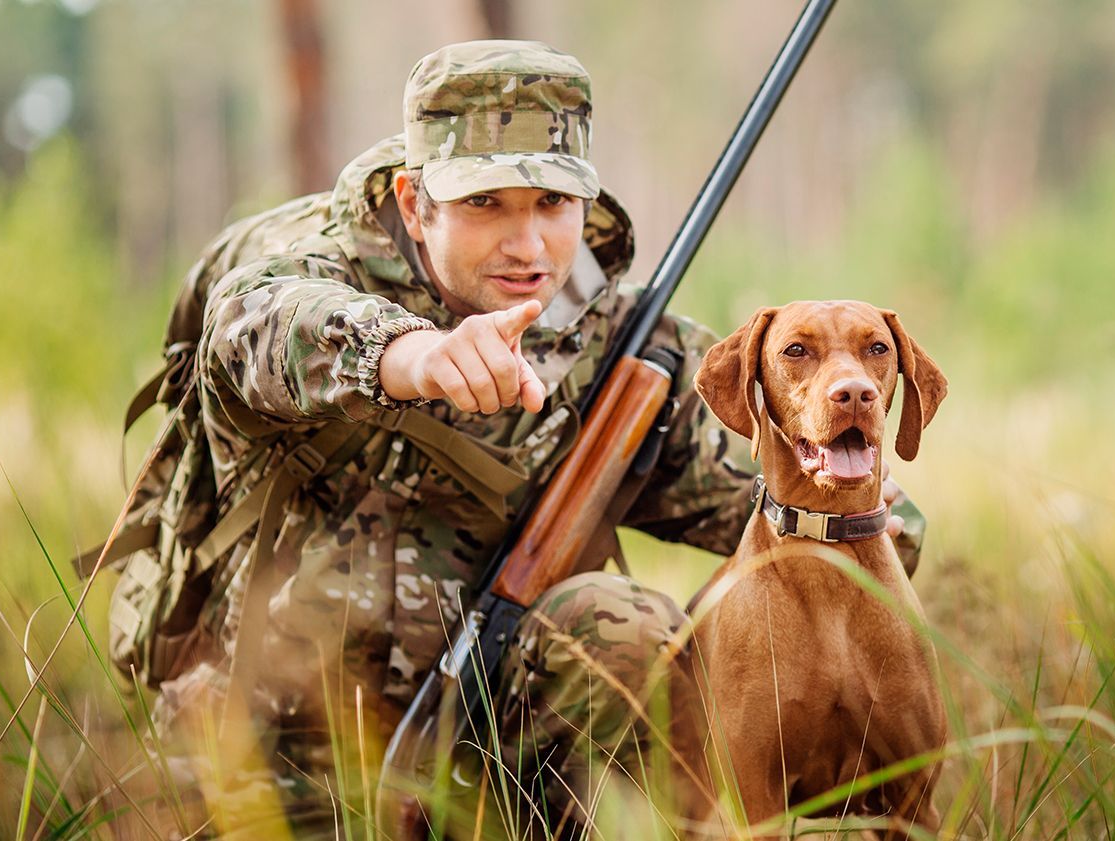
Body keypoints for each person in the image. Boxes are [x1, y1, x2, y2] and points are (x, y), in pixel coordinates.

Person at [135, 39, 924, 839]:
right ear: (415, 204)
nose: (528, 244)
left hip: (489, 754)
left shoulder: (624, 348)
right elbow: (254, 323)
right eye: (486, 204)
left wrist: (853, 496)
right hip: (275, 750)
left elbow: (823, 523)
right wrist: (412, 356)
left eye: (552, 205)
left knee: (621, 628)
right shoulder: (312, 277)